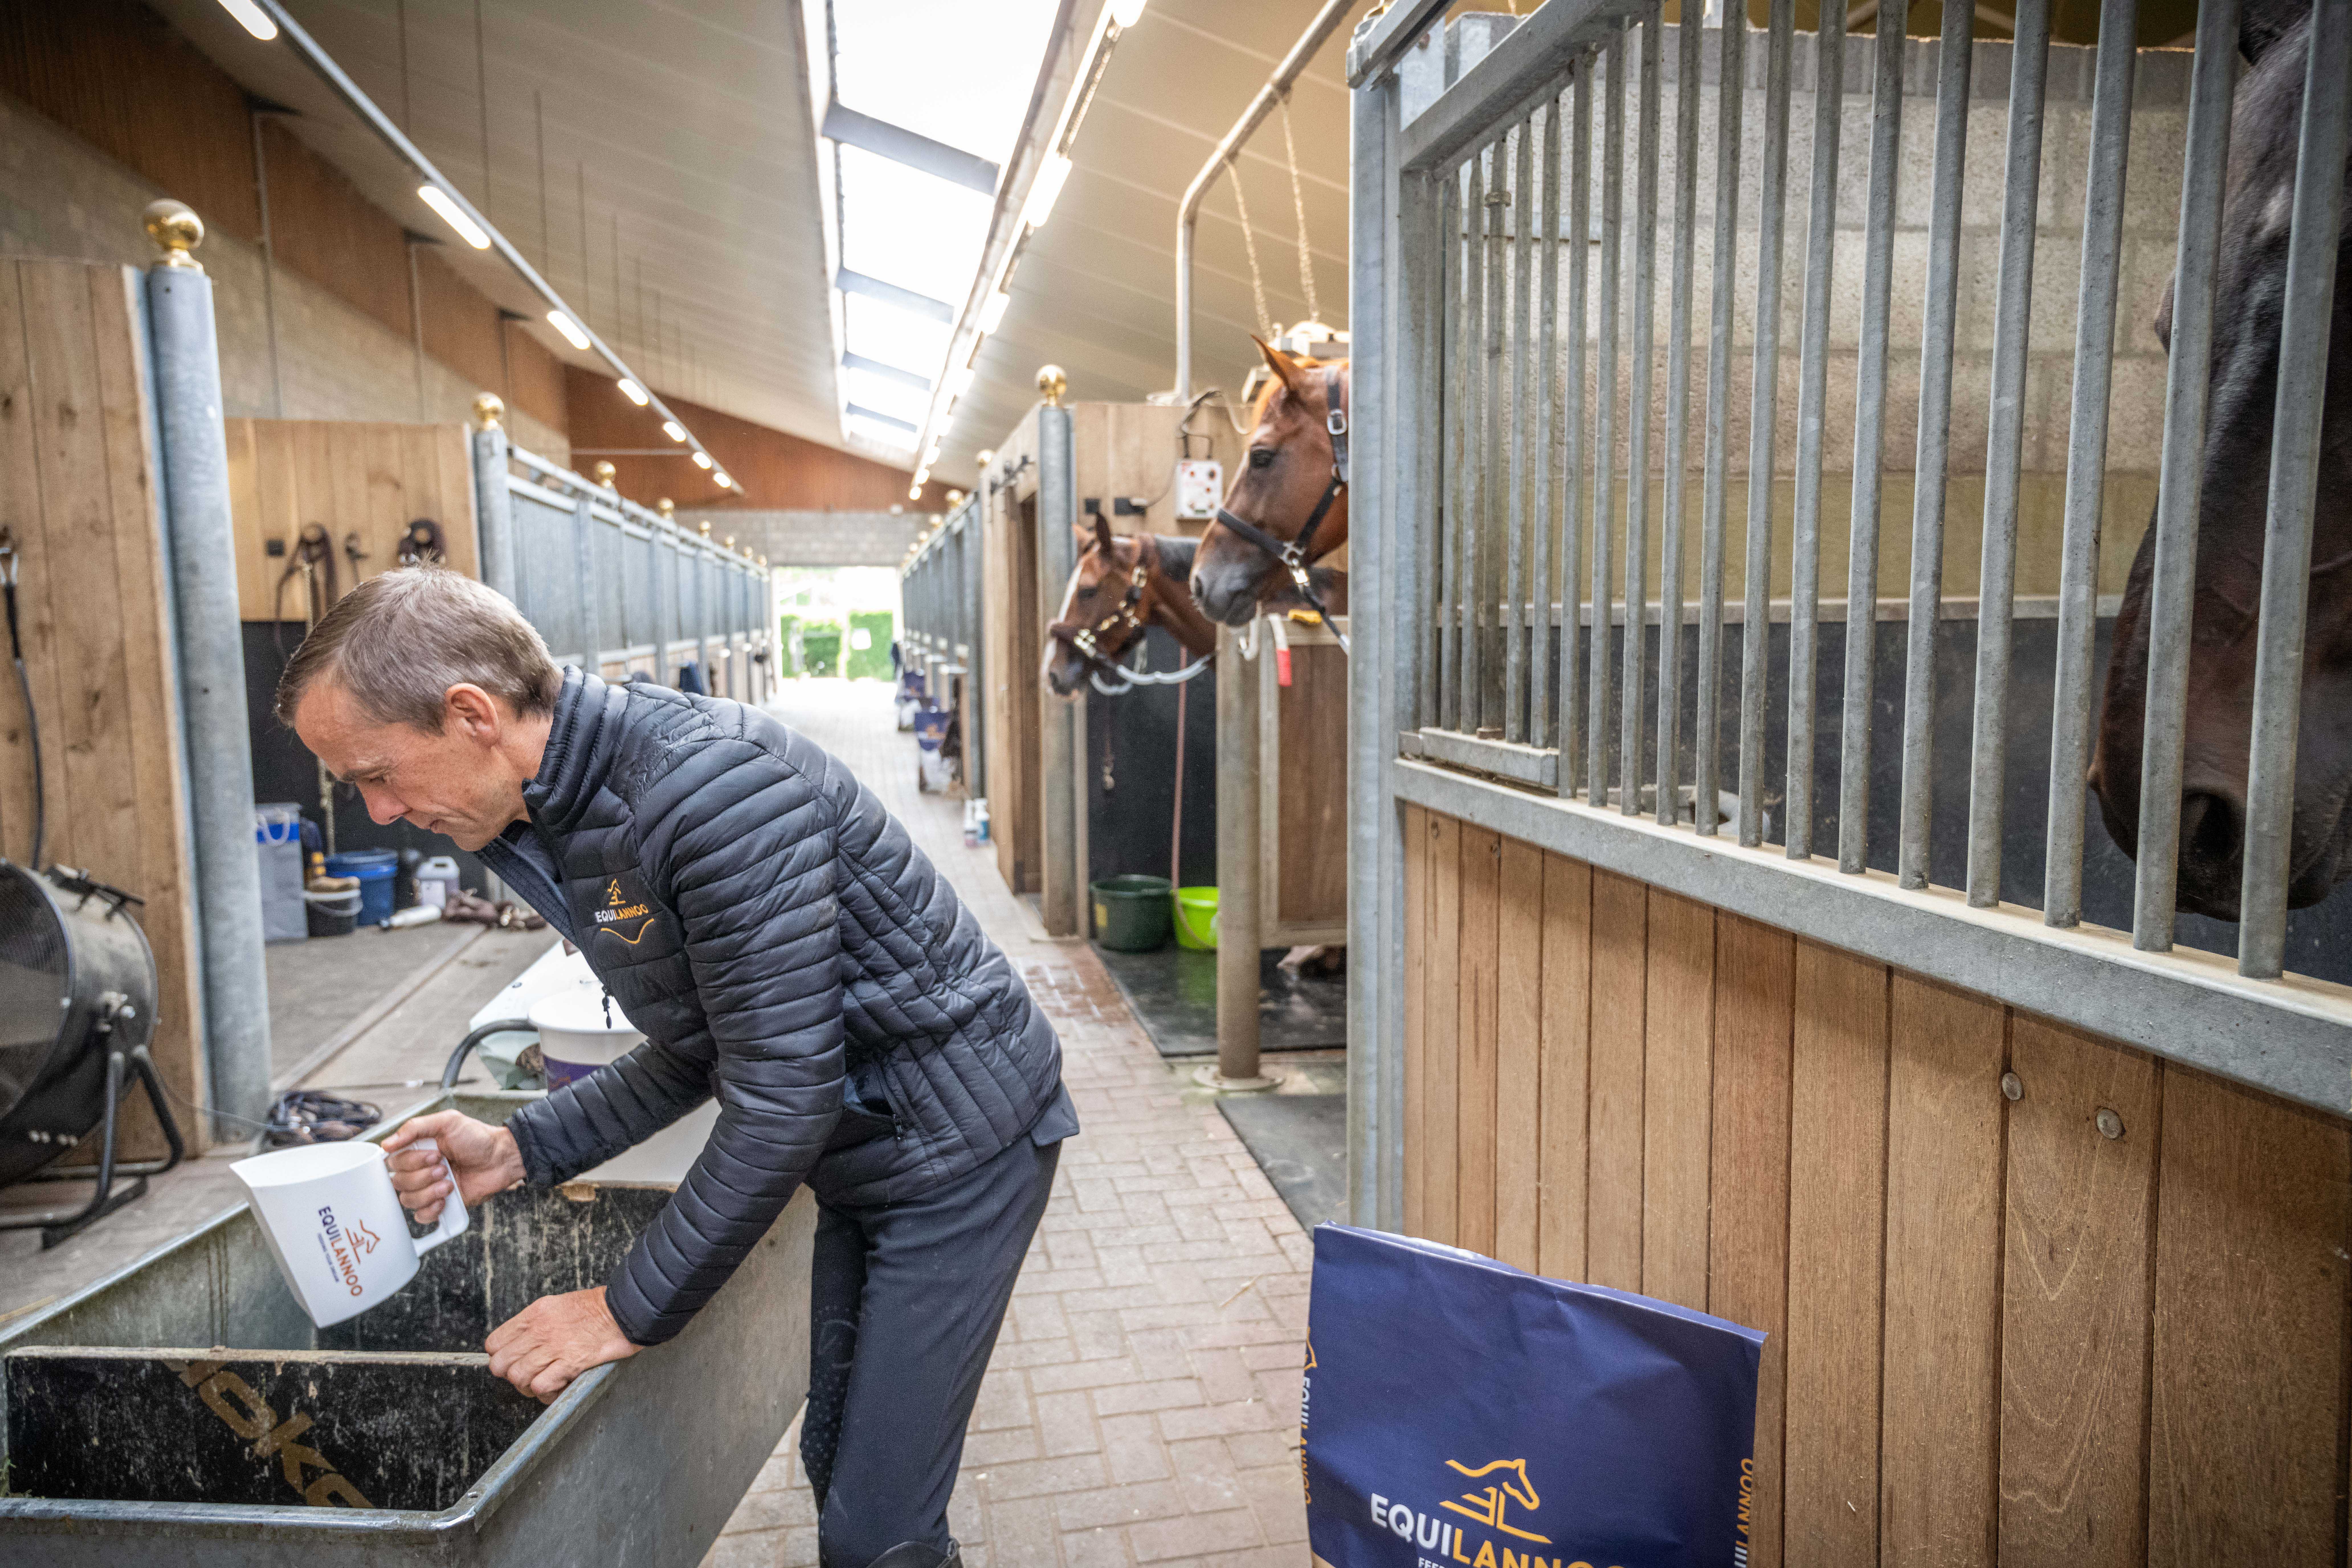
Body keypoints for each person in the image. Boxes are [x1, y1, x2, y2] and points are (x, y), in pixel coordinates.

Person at [278, 567, 1073, 1568]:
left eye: (376, 774)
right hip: (873, 1145)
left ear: (472, 714)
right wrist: (519, 1149)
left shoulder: (711, 795)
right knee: (838, 1463)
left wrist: (624, 1308)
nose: (380, 812)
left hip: (961, 1148)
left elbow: (782, 1099)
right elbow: (710, 1045)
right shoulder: (571, 813)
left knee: (876, 1534)